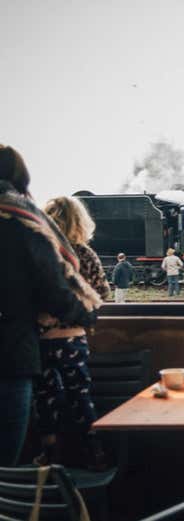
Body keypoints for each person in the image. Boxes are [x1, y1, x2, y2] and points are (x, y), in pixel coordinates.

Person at [0, 145, 99, 466]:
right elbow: (52, 285)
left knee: (46, 404)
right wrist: (86, 315)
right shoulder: (22, 220)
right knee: (5, 462)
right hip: (10, 350)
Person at [37, 196, 112, 468]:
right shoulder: (85, 254)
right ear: (80, 222)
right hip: (72, 338)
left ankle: (49, 457)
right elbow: (102, 292)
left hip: (40, 338)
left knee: (45, 399)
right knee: (80, 395)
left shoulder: (39, 253)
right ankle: (93, 453)